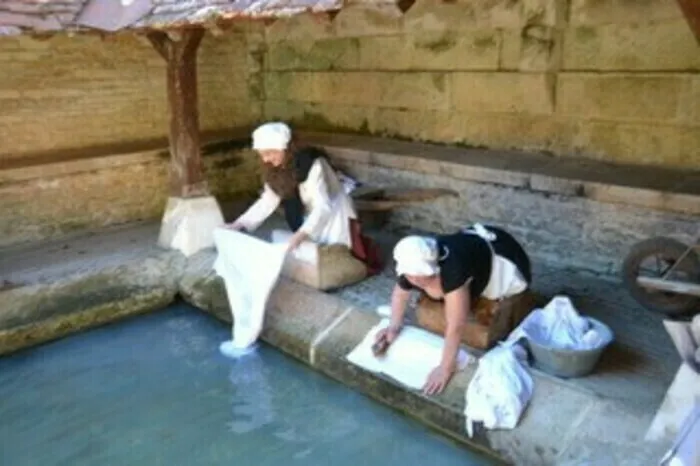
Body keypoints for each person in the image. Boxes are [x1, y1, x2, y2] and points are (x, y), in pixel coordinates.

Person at [375, 223, 532, 395]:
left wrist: (445, 367)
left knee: (451, 296)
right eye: (412, 277)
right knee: (438, 293)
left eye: (423, 277)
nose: (415, 280)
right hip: (471, 247)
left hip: (506, 261)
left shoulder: (453, 270)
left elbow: (456, 324)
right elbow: (400, 294)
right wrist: (393, 327)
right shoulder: (412, 262)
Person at [226, 121, 380, 274]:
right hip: (310, 212)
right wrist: (239, 224)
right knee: (312, 256)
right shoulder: (275, 168)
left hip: (334, 213)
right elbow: (268, 200)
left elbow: (323, 206)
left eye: (269, 153)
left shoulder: (313, 164)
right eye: (262, 155)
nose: (266, 159)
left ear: (283, 147)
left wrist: (301, 234)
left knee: (339, 258)